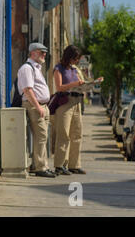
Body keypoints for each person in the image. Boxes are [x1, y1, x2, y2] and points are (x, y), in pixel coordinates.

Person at [18, 43, 55, 178]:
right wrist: (38, 106)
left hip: (42, 106)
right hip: (34, 105)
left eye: (45, 52)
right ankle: (40, 167)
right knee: (41, 136)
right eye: (41, 52)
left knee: (43, 137)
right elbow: (27, 90)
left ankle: (41, 165)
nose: (44, 54)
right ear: (33, 53)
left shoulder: (36, 68)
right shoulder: (27, 68)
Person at [53, 45, 86, 175]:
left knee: (77, 134)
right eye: (75, 58)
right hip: (65, 102)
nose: (76, 61)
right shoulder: (58, 68)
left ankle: (74, 165)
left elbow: (80, 83)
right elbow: (59, 87)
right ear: (69, 57)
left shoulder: (74, 70)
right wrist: (74, 84)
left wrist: (89, 84)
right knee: (63, 134)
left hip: (76, 102)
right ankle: (60, 165)